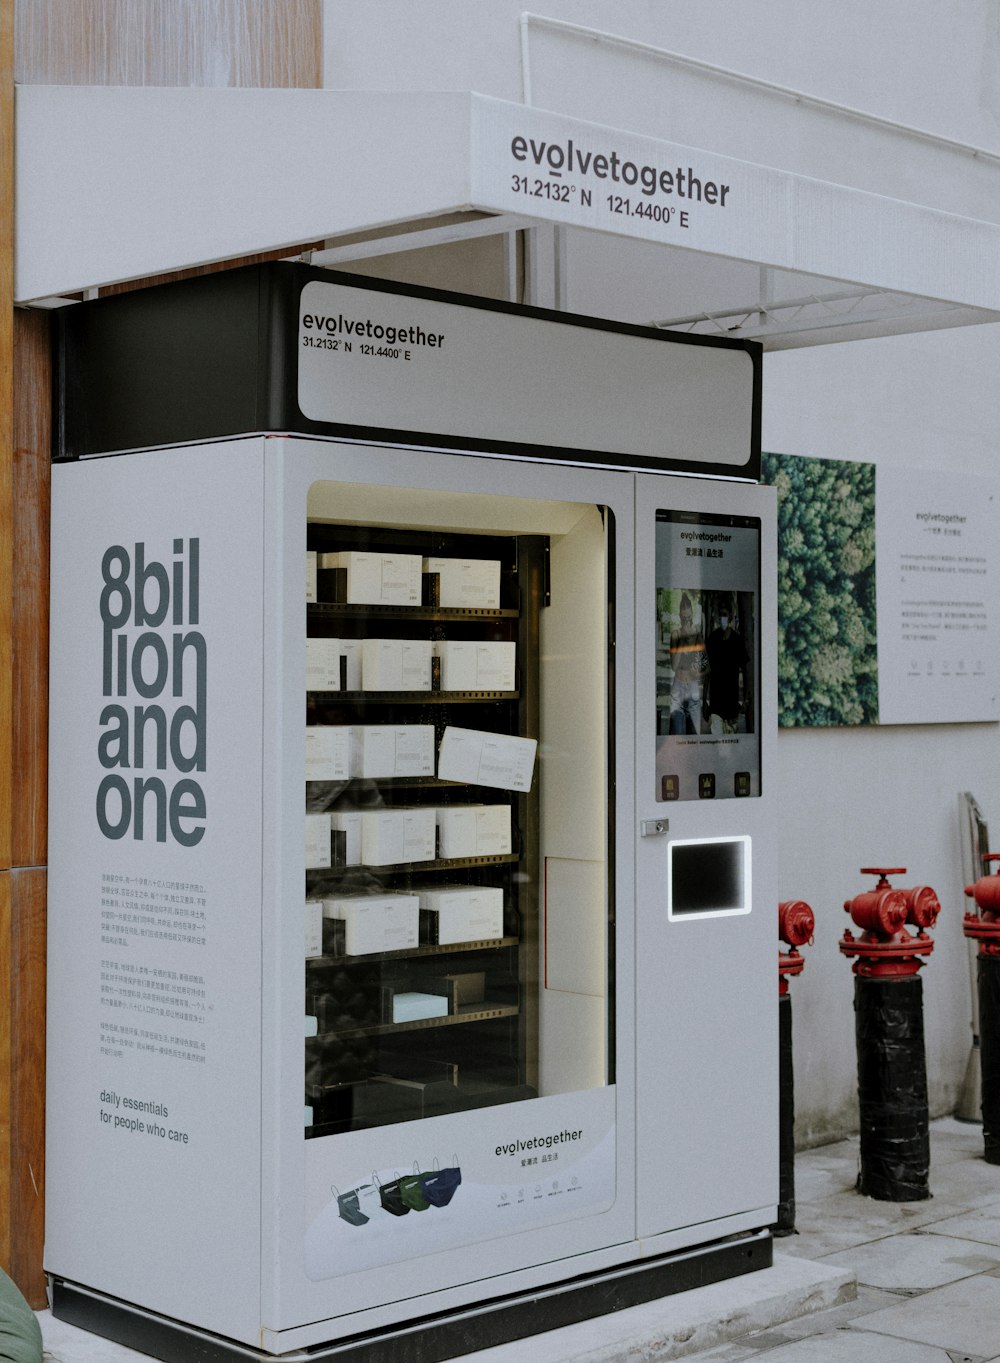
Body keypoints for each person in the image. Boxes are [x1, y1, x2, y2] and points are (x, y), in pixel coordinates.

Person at [705, 597, 749, 735]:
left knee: (731, 751)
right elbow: (707, 671)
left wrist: (746, 700)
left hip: (732, 708)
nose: (722, 618)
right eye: (720, 614)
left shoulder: (737, 641)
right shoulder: (712, 639)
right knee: (717, 747)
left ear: (730, 616)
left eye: (725, 614)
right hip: (715, 706)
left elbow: (746, 671)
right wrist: (703, 702)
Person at [669, 594, 707, 734]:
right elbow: (674, 665)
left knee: (694, 736)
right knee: (675, 736)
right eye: (684, 618)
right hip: (678, 688)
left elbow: (703, 664)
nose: (687, 621)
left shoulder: (697, 634)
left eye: (689, 618)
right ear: (680, 616)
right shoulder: (676, 635)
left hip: (692, 687)